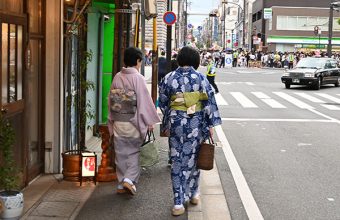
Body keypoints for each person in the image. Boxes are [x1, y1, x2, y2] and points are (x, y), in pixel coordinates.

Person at [158, 46, 222, 216]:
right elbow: (209, 104)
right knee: (195, 159)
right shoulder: (201, 78)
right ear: (196, 61)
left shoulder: (169, 78)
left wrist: (175, 113)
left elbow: (163, 102)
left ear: (179, 60)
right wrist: (210, 126)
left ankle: (178, 202)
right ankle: (194, 194)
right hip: (196, 124)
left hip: (176, 125)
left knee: (177, 160)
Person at [107, 47, 161, 195]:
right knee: (134, 153)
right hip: (133, 122)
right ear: (138, 60)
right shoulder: (138, 78)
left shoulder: (117, 76)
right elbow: (144, 102)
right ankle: (129, 180)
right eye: (140, 61)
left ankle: (121, 184)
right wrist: (149, 122)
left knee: (121, 153)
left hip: (118, 121)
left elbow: (111, 100)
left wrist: (111, 119)